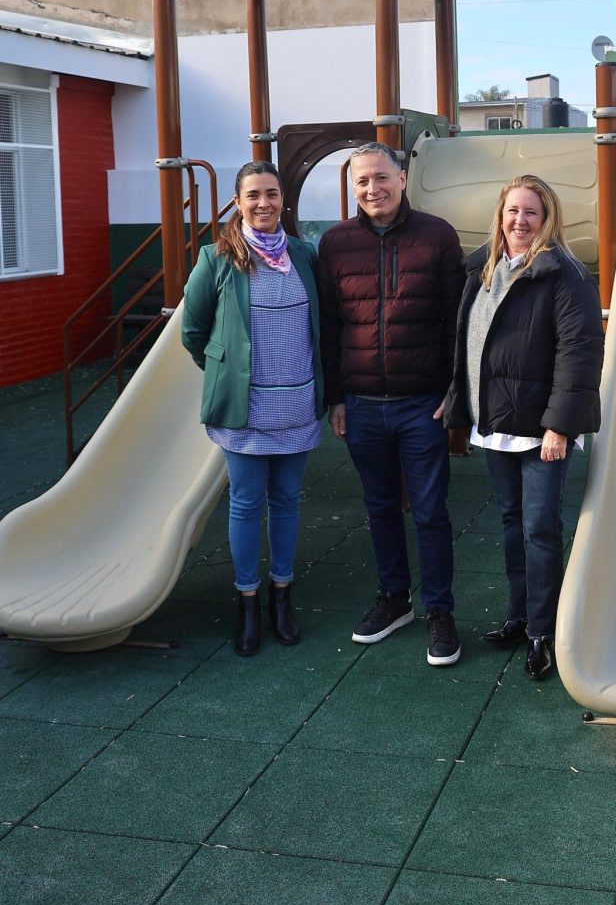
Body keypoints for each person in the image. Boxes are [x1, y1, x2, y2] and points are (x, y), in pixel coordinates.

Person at [444, 175, 604, 679]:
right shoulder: (483, 269)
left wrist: (560, 426)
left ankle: (544, 630)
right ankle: (519, 615)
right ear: (500, 214)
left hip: (540, 428)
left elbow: (578, 355)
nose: (519, 220)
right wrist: (457, 397)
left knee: (540, 529)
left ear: (547, 218)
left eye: (530, 212)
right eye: (512, 211)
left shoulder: (565, 274)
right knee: (512, 525)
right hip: (497, 422)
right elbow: (468, 341)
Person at [317, 142, 466, 666]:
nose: (372, 189)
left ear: (402, 178)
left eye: (381, 177)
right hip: (360, 403)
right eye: (361, 182)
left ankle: (440, 611)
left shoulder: (438, 236)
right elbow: (330, 326)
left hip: (421, 403)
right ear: (352, 188)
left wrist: (454, 391)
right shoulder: (334, 244)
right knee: (380, 507)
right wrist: (336, 396)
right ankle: (394, 599)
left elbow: (456, 321)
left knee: (429, 512)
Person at [181, 160, 324, 657]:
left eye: (271, 194)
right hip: (246, 409)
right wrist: (229, 374)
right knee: (245, 504)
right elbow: (193, 332)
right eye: (253, 196)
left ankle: (281, 596)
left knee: (286, 501)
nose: (263, 203)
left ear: (283, 199)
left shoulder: (305, 255)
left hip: (298, 402)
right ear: (238, 203)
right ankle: (246, 601)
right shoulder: (217, 259)